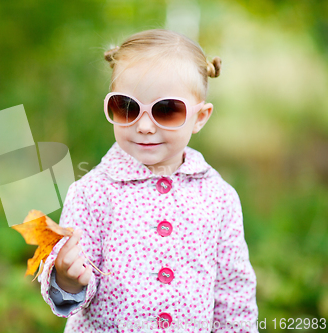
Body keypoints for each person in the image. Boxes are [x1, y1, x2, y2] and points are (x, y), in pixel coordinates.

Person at [37, 28, 259, 332]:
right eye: (126, 107)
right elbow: (73, 287)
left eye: (166, 111)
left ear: (200, 117)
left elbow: (233, 293)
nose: (143, 126)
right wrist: (65, 277)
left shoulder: (219, 197)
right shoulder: (92, 192)